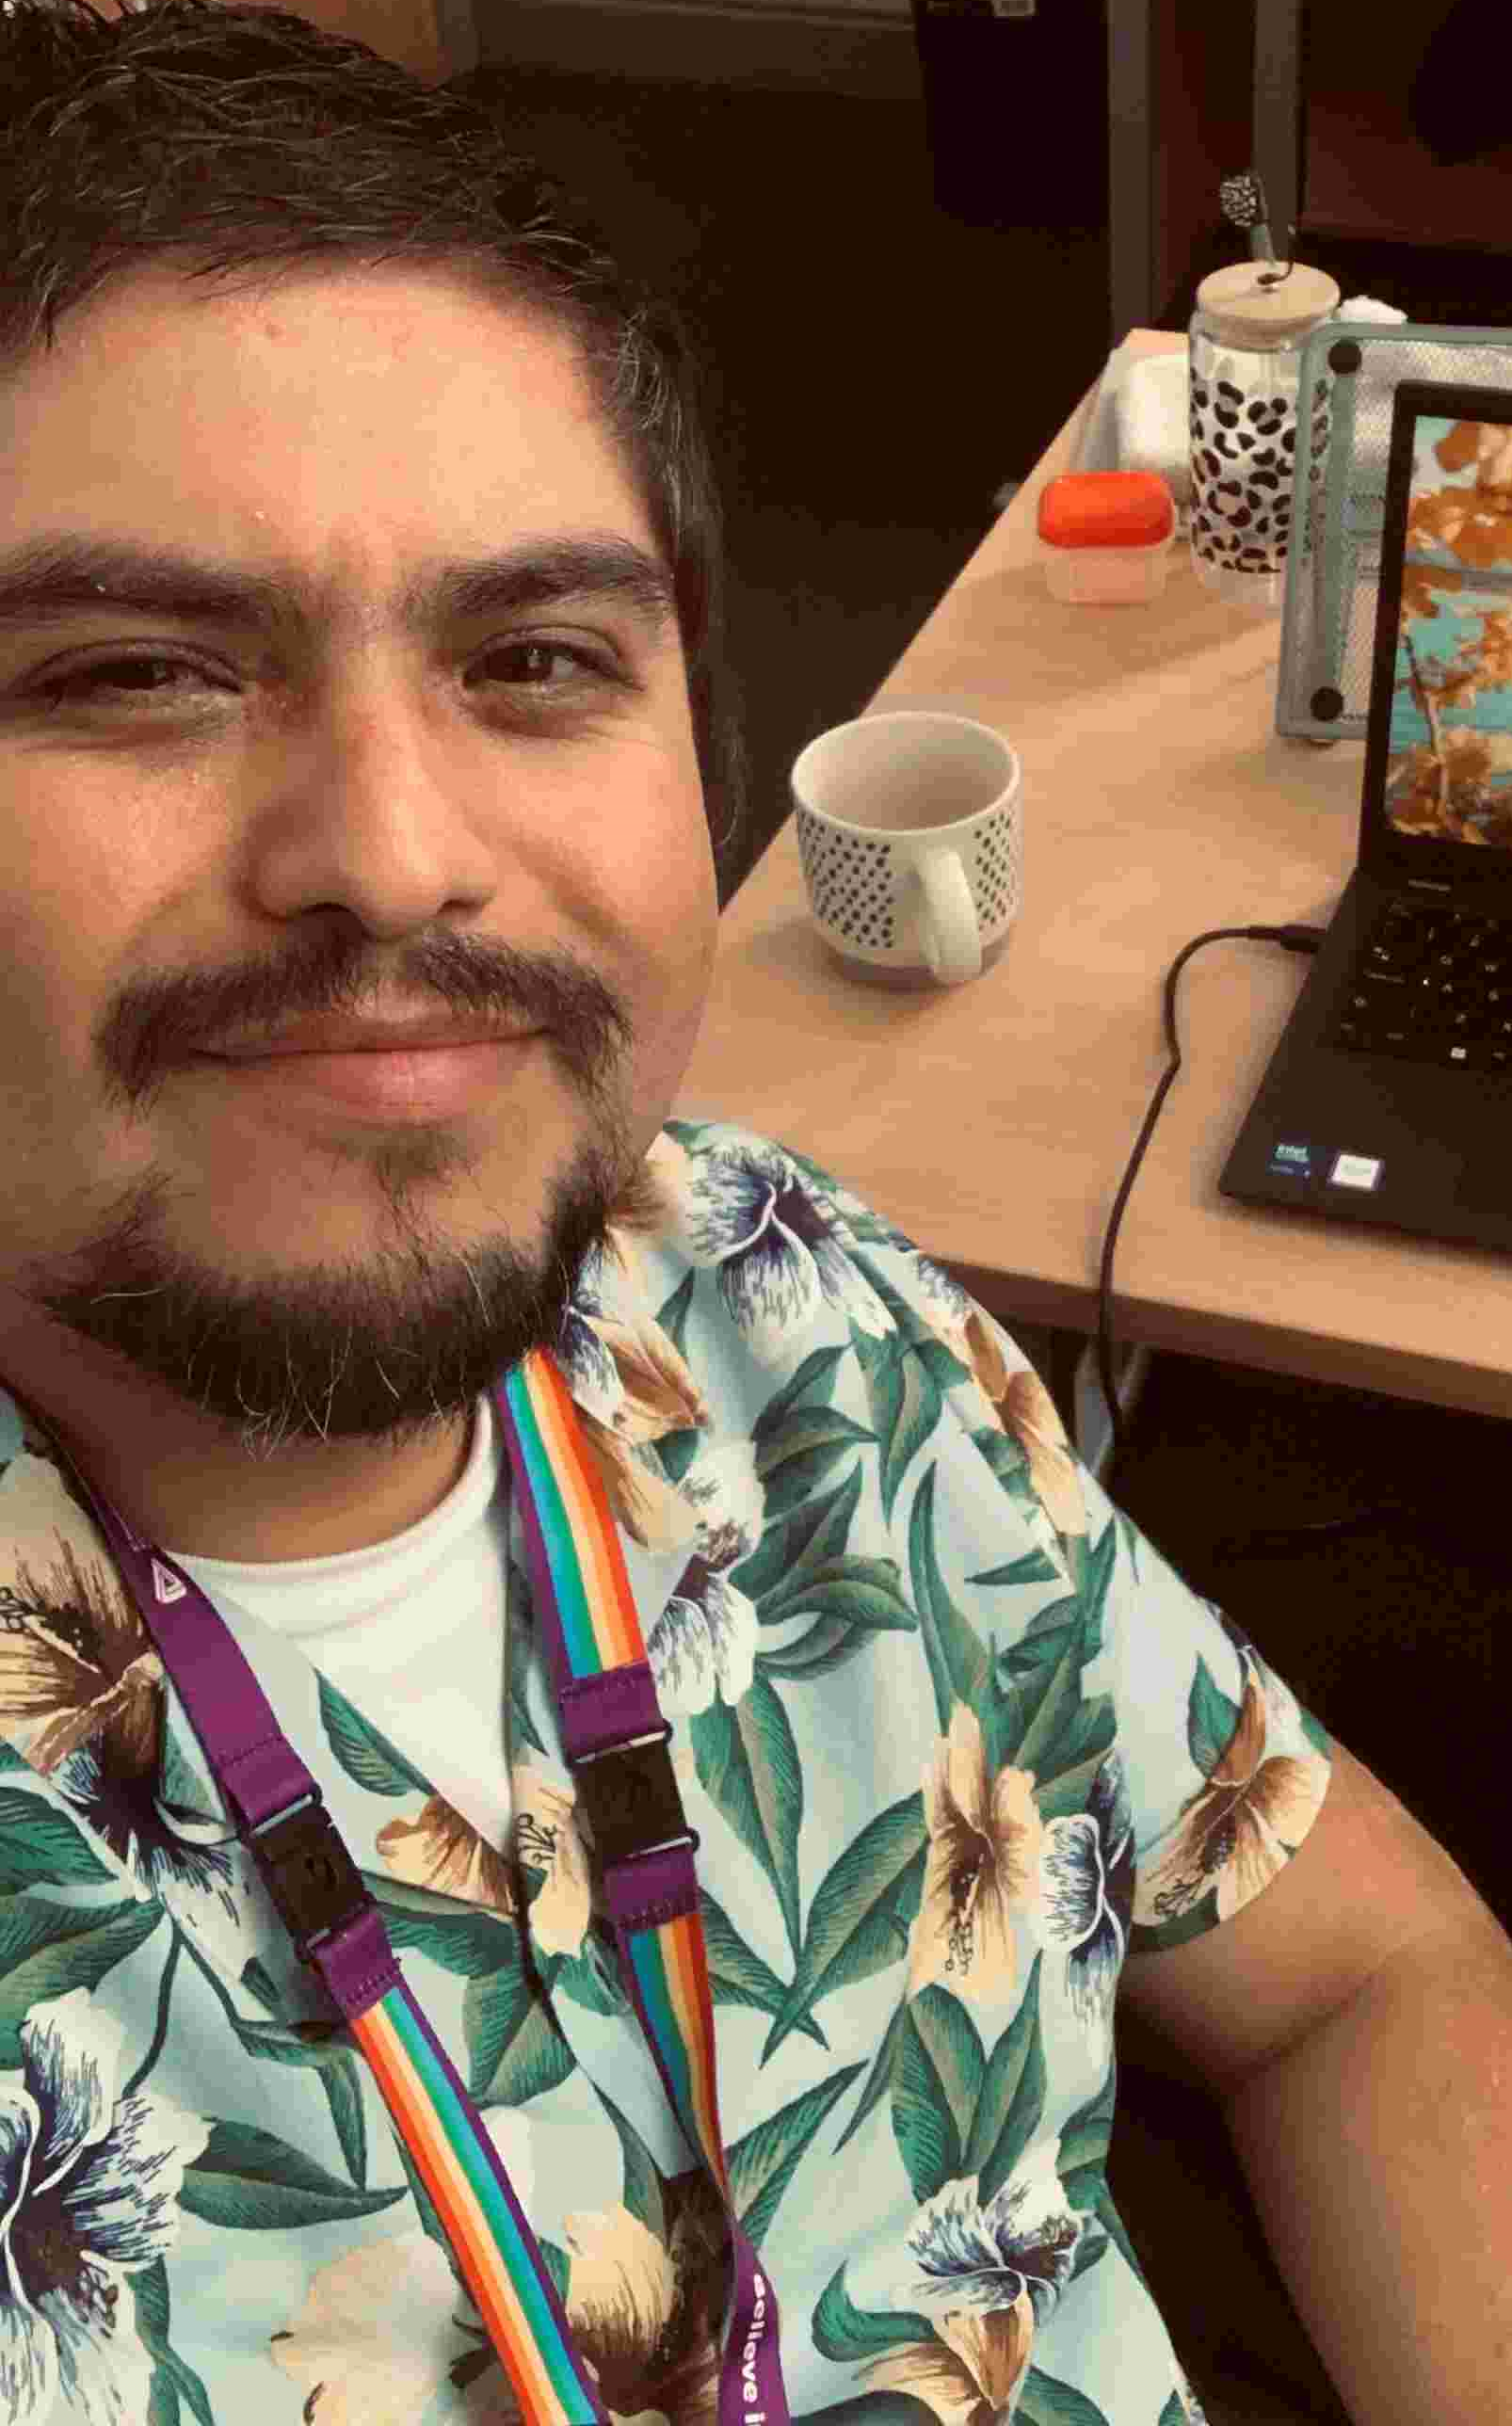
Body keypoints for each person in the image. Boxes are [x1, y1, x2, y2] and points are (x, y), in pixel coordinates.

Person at [0, 8, 1504, 2424]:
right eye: (136, 671)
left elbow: (1360, 1964)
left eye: (532, 658)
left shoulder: (780, 1301)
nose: (394, 852)